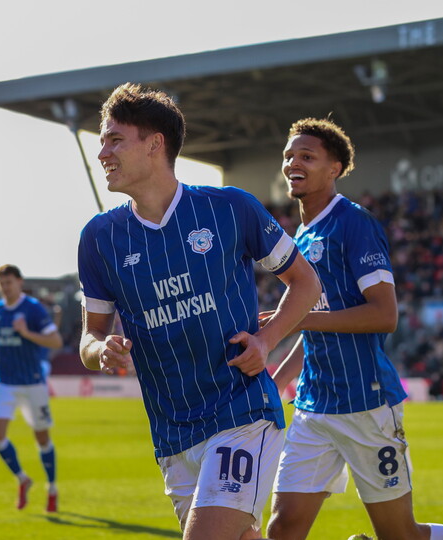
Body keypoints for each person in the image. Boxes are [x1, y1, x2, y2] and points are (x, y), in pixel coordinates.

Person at [77, 83, 321, 540]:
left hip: (241, 413)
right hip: (172, 433)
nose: (102, 152)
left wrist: (267, 342)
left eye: (114, 140)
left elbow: (306, 283)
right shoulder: (99, 238)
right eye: (102, 140)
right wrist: (100, 350)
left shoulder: (229, 208)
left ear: (154, 145)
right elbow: (89, 337)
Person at [264, 117, 443, 540]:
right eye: (289, 156)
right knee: (283, 529)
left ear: (335, 168)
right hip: (313, 408)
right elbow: (318, 330)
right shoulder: (302, 237)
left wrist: (298, 318)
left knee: (400, 535)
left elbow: (384, 315)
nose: (293, 163)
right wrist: (275, 380)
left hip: (367, 406)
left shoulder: (354, 224)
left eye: (307, 156)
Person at [0, 264, 64, 511]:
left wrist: (26, 333)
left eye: (9, 283)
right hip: (4, 381)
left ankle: (52, 487)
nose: (5, 287)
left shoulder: (33, 309)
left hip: (33, 381)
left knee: (42, 438)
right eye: (1, 283)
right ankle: (23, 479)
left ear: (19, 282)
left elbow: (55, 340)